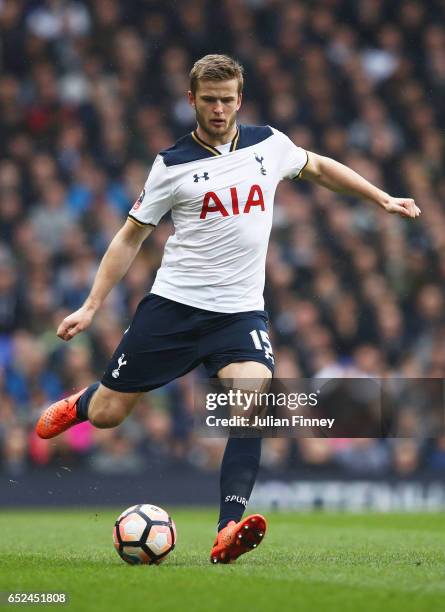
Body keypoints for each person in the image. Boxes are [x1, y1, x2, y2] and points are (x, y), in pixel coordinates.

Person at [36, 54, 420, 563]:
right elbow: (130, 237)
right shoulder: (171, 165)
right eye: (210, 100)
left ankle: (227, 528)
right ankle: (81, 403)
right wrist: (91, 306)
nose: (220, 109)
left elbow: (321, 167)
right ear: (191, 99)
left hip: (239, 315)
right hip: (174, 309)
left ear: (241, 98)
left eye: (228, 99)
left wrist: (380, 198)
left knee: (250, 405)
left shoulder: (268, 144)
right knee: (109, 413)